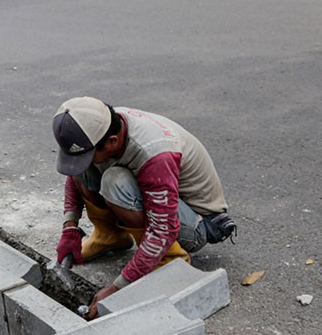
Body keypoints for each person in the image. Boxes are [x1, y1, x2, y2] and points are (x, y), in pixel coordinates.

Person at [52, 97, 236, 320]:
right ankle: (109, 237)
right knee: (87, 168)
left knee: (115, 182)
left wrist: (117, 288)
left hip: (196, 223)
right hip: (163, 204)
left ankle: (167, 259)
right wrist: (70, 226)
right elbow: (75, 172)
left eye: (89, 154)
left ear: (112, 141)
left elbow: (163, 230)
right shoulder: (101, 124)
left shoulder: (154, 153)